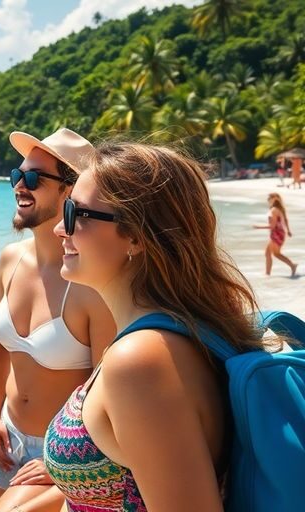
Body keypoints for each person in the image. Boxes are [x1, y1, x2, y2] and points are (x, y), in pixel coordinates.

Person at [44, 142, 277, 510]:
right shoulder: (184, 330)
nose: (59, 228)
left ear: (136, 236)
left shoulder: (140, 361)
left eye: (74, 213)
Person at [0, 128, 115, 512]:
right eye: (17, 174)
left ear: (70, 190)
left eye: (33, 178)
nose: (19, 185)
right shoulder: (10, 259)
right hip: (8, 439)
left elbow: (106, 387)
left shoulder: (90, 282)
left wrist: (64, 459)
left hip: (63, 454)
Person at [254, 192, 298, 277]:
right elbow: (285, 220)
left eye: (269, 199)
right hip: (279, 233)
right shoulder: (279, 209)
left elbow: (272, 226)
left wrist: (258, 227)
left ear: (273, 199)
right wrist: (288, 230)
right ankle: (268, 273)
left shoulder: (274, 210)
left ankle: (292, 266)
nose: (268, 200)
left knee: (275, 254)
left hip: (276, 234)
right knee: (268, 253)